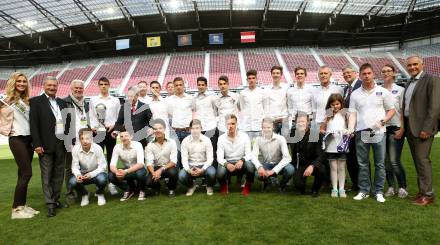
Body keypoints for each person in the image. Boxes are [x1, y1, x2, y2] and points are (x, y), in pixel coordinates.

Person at [348, 63, 395, 203]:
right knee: (362, 163)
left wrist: (383, 121)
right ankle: (364, 190)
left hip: (378, 131)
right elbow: (352, 113)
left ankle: (379, 191)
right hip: (361, 132)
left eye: (369, 73)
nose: (367, 76)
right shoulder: (355, 94)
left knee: (379, 163)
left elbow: (391, 110)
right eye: (364, 74)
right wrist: (351, 128)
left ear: (373, 74)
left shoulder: (383, 91)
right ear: (360, 76)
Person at [30, 76, 70, 217]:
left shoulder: (62, 102)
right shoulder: (35, 102)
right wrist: (37, 144)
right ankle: (50, 204)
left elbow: (68, 122)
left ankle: (56, 199)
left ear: (57, 86)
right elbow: (33, 124)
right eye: (49, 85)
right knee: (47, 175)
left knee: (59, 174)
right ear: (44, 86)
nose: (52, 88)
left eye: (54, 85)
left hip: (61, 142)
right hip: (45, 144)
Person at [0, 72, 39, 219]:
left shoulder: (26, 100)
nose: (22, 83)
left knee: (21, 174)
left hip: (29, 140)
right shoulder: (6, 99)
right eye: (19, 81)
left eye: (24, 81)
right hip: (16, 139)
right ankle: (16, 210)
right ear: (13, 83)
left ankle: (21, 205)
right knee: (27, 173)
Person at [402, 56, 440, 206]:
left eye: (415, 64)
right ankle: (422, 191)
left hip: (422, 129)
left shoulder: (432, 80)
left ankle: (428, 194)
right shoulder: (409, 82)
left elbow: (435, 107)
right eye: (409, 65)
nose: (412, 67)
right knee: (418, 161)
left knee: (423, 161)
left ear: (422, 64)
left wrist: (427, 128)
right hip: (410, 127)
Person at [88, 77, 121, 195]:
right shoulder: (93, 100)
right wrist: (93, 127)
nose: (103, 86)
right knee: (98, 159)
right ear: (98, 85)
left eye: (105, 84)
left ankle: (112, 184)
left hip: (110, 131)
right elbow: (91, 115)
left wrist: (115, 127)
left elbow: (118, 117)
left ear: (109, 85)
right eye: (101, 84)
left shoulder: (115, 100)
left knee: (112, 158)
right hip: (98, 132)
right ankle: (100, 186)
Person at [381, 64, 408, 198]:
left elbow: (403, 111)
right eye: (383, 71)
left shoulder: (400, 90)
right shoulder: (378, 90)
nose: (386, 73)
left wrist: (402, 127)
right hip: (382, 129)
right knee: (385, 161)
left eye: (388, 71)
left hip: (396, 127)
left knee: (394, 160)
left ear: (394, 73)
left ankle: (403, 187)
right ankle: (391, 187)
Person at [63, 79, 89, 203]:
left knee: (82, 165)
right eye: (76, 88)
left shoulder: (87, 103)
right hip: (71, 141)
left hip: (85, 139)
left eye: (80, 88)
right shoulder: (64, 102)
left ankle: (81, 191)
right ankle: (69, 193)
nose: (78, 90)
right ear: (71, 89)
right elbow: (61, 123)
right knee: (69, 167)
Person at [252, 117, 293, 193]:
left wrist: (274, 171)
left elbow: (287, 158)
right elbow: (253, 156)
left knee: (290, 169)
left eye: (268, 127)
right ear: (261, 128)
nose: (266, 130)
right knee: (257, 173)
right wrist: (260, 167)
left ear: (273, 127)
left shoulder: (281, 139)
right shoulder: (258, 139)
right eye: (264, 127)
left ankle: (282, 185)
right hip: (266, 164)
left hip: (279, 164)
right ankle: (267, 182)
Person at [216, 114, 254, 195]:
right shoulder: (221, 138)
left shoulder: (244, 136)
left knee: (250, 166)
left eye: (233, 124)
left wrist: (242, 160)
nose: (231, 126)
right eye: (228, 124)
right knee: (220, 172)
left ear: (237, 124)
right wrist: (227, 164)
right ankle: (223, 186)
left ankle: (247, 186)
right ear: (225, 125)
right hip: (228, 163)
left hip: (241, 163)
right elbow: (219, 158)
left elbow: (249, 154)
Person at [290, 113, 327, 197]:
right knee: (298, 185)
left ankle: (315, 190)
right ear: (295, 122)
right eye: (298, 121)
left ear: (308, 122)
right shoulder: (292, 134)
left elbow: (320, 155)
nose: (301, 123)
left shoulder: (315, 134)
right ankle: (301, 187)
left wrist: (312, 166)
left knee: (322, 170)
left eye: (303, 121)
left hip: (313, 163)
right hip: (300, 164)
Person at [320, 94, 349, 198]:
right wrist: (327, 132)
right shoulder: (328, 114)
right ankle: (334, 189)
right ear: (329, 105)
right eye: (333, 104)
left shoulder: (345, 113)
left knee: (341, 167)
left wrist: (347, 131)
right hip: (331, 145)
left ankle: (341, 189)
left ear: (341, 104)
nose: (335, 106)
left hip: (342, 144)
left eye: (337, 104)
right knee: (333, 167)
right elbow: (322, 129)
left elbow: (350, 128)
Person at [69, 128, 107, 207]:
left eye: (87, 138)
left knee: (102, 179)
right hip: (83, 174)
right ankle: (85, 194)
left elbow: (103, 166)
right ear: (79, 140)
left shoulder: (97, 148)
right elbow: (74, 166)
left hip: (96, 173)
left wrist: (91, 174)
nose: (84, 141)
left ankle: (100, 193)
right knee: (72, 182)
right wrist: (78, 175)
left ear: (91, 139)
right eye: (82, 138)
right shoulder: (75, 149)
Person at [179, 119, 216, 196]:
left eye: (197, 128)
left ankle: (209, 186)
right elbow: (184, 159)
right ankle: (191, 186)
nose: (195, 130)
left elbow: (210, 159)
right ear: (189, 130)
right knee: (181, 176)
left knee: (212, 173)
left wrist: (202, 169)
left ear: (201, 129)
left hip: (204, 165)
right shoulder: (185, 141)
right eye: (192, 128)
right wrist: (188, 170)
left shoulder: (207, 140)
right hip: (191, 165)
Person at [108, 130, 147, 201]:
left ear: (131, 137)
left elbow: (141, 164)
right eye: (121, 136)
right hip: (126, 170)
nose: (124, 138)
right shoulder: (117, 147)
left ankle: (142, 190)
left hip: (138, 169)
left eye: (126, 136)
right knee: (110, 176)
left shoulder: (138, 144)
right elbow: (112, 165)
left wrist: (125, 172)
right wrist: (117, 172)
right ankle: (128, 189)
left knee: (140, 174)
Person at [341, 65, 362, 192]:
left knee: (360, 158)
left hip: (358, 128)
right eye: (344, 73)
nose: (347, 75)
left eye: (349, 72)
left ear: (356, 73)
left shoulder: (361, 85)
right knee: (350, 157)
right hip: (347, 129)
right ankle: (356, 184)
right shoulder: (345, 89)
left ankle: (363, 184)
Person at [145, 119, 178, 197]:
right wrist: (153, 173)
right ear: (153, 131)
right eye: (155, 129)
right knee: (147, 182)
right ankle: (157, 187)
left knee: (173, 172)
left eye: (160, 128)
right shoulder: (150, 145)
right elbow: (149, 162)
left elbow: (173, 161)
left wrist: (161, 170)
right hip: (156, 168)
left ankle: (171, 189)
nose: (158, 130)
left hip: (168, 167)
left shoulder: (172, 142)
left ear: (164, 129)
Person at [193, 77, 219, 167]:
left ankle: (214, 173)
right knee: (202, 151)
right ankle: (205, 173)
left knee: (213, 151)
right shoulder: (194, 98)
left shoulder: (212, 97)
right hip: (200, 129)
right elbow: (194, 110)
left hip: (211, 127)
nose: (201, 86)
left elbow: (216, 110)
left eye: (202, 85)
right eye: (199, 85)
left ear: (206, 86)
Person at [238, 69, 265, 141]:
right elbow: (241, 108)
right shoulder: (243, 93)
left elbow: (265, 108)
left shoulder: (262, 92)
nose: (251, 80)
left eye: (253, 78)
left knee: (259, 149)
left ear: (256, 79)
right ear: (247, 80)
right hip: (247, 126)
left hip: (259, 126)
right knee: (248, 149)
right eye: (249, 78)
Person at [264, 66, 288, 135]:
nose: (275, 75)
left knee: (285, 143)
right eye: (274, 73)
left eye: (277, 73)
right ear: (271, 74)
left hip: (284, 120)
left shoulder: (286, 87)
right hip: (272, 121)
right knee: (272, 143)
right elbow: (266, 106)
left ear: (281, 75)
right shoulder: (266, 89)